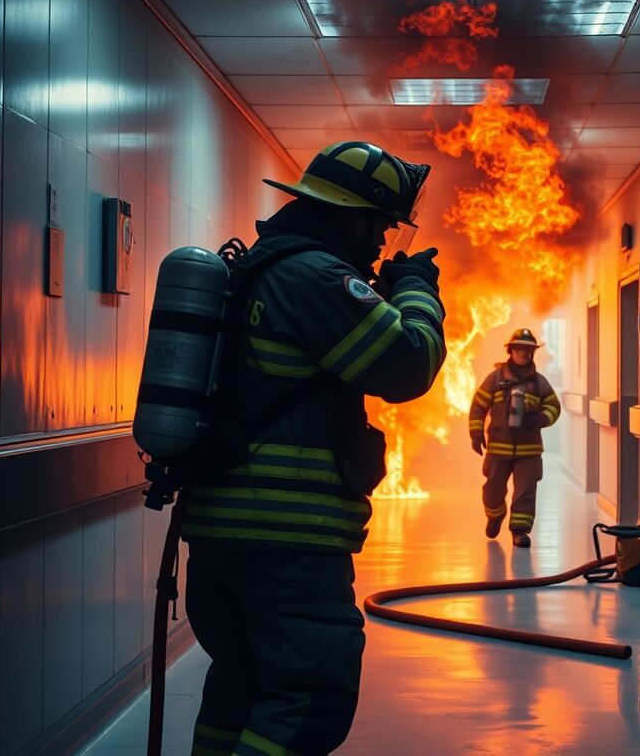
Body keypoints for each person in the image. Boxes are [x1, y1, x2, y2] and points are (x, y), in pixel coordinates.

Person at [182, 141, 446, 756]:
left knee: (241, 685)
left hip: (224, 531)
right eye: (380, 224)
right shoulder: (316, 277)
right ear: (346, 214)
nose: (383, 241)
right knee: (311, 700)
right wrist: (415, 291)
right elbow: (407, 365)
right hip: (287, 541)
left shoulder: (260, 266)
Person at [467, 328, 561, 548]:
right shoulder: (495, 379)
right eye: (519, 348)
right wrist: (476, 433)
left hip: (529, 450)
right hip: (499, 448)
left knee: (525, 492)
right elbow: (479, 406)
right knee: (492, 490)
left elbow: (554, 406)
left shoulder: (539, 383)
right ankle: (495, 515)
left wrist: (542, 418)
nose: (524, 353)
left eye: (528, 350)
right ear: (511, 350)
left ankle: (519, 532)